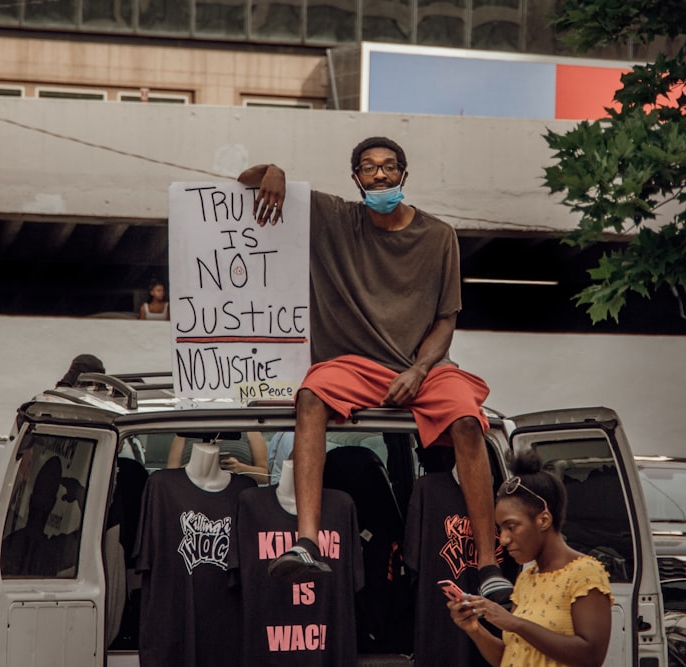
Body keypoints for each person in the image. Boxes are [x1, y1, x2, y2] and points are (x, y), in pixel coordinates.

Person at [237, 137, 513, 603]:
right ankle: (306, 542)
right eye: (368, 169)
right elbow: (247, 181)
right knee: (310, 396)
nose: (379, 176)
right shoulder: (335, 218)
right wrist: (276, 172)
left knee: (468, 421)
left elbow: (447, 319)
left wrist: (421, 369)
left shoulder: (438, 235)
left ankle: (487, 563)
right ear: (355, 179)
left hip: (422, 367)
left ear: (404, 175)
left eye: (388, 167)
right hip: (355, 365)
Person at [448, 449, 613, 667]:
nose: (504, 539)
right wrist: (475, 630)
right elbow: (512, 657)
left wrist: (514, 623)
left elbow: (591, 657)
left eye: (511, 526)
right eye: (500, 528)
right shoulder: (526, 579)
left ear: (543, 520)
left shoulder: (585, 573)